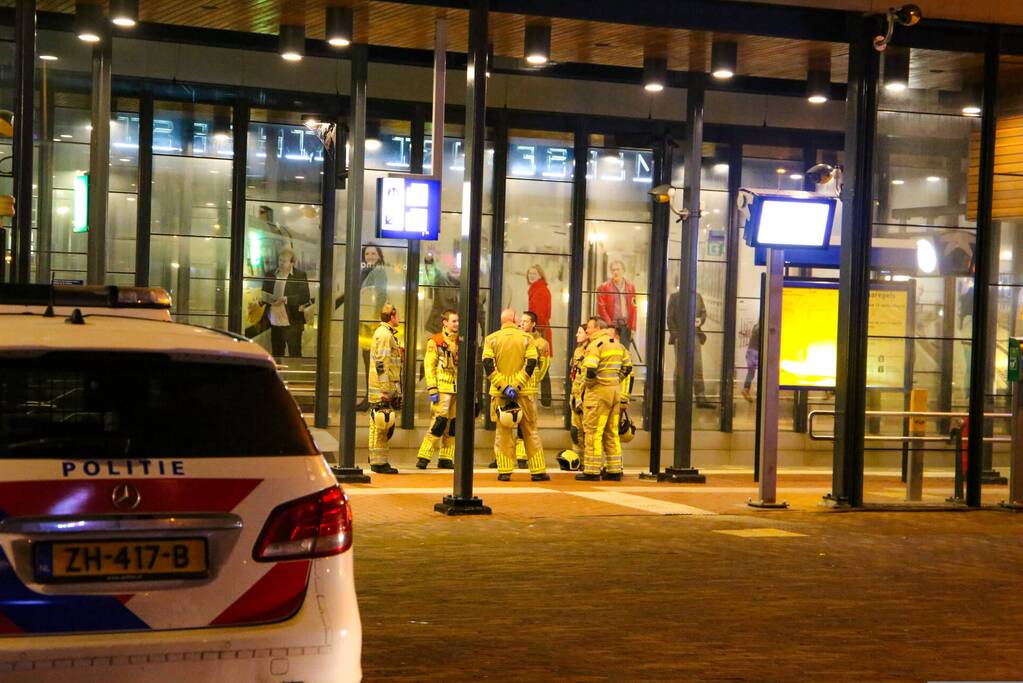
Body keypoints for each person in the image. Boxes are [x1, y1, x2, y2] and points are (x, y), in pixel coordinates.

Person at [482, 308, 547, 482]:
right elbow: (531, 363)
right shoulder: (527, 339)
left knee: (503, 433)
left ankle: (504, 471)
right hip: (524, 392)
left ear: (502, 320)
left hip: (500, 393)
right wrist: (517, 385)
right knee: (530, 431)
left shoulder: (491, 339)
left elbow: (488, 365)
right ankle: (538, 471)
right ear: (515, 319)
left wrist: (504, 387)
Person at [577, 316, 631, 482]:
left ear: (598, 328)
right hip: (614, 392)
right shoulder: (618, 345)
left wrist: (589, 385)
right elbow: (628, 367)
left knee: (593, 432)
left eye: (589, 327)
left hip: (598, 394)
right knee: (611, 432)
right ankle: (614, 470)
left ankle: (592, 471)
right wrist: (616, 380)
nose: (587, 330)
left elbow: (590, 370)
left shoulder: (595, 345)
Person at [335, 245, 388, 411]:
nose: (370, 256)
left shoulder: (378, 271)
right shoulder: (365, 271)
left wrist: (374, 319)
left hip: (371, 322)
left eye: (373, 253)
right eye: (367, 253)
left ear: (379, 256)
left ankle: (371, 399)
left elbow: (381, 295)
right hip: (365, 322)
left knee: (371, 360)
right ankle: (371, 397)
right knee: (369, 359)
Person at [416, 309, 458, 469]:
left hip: (456, 389)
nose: (457, 324)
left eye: (458, 321)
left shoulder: (460, 341)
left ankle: (446, 457)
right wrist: (432, 388)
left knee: (452, 425)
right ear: (445, 323)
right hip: (442, 388)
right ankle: (424, 456)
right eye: (453, 321)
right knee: (439, 422)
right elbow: (429, 366)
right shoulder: (436, 341)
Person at [368, 303, 404, 475]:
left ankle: (377, 460)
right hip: (382, 387)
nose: (399, 319)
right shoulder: (384, 335)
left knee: (380, 424)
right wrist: (384, 389)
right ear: (392, 316)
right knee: (382, 424)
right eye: (397, 315)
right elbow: (381, 363)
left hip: (384, 385)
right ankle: (379, 462)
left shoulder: (384, 333)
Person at [514, 311, 551, 468]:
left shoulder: (541, 343)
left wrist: (534, 380)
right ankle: (510, 455)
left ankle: (524, 457)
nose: (522, 324)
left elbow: (544, 366)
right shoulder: (516, 339)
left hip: (529, 388)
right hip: (514, 385)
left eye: (526, 321)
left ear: (533, 324)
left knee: (528, 422)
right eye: (521, 321)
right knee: (510, 420)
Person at [260, 246, 311, 358]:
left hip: (293, 323)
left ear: (292, 263)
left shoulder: (299, 275)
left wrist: (286, 299)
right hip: (275, 323)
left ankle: (295, 370)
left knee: (295, 353)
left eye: (285, 261)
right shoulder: (270, 274)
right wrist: (262, 300)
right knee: (277, 353)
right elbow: (264, 293)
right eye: (280, 260)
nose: (281, 263)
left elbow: (305, 296)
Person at [667, 289, 713, 409]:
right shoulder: (674, 297)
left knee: (697, 365)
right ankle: (679, 396)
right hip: (680, 335)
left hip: (695, 334)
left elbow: (703, 312)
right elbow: (670, 318)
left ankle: (700, 396)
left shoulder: (698, 296)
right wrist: (676, 336)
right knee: (680, 366)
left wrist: (700, 320)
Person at [556, 325, 590, 471]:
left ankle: (590, 462)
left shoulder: (593, 351)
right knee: (575, 431)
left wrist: (582, 397)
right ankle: (578, 461)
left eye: (580, 332)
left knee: (589, 433)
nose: (577, 335)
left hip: (587, 397)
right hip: (575, 396)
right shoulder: (578, 351)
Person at [526, 265, 554, 407]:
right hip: (539, 330)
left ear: (540, 275)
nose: (531, 275)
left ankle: (545, 399)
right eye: (530, 273)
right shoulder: (537, 289)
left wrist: (534, 332)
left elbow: (540, 316)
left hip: (539, 332)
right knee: (542, 365)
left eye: (534, 273)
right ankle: (545, 399)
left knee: (542, 365)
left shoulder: (540, 290)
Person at [596, 260, 637, 351]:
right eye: (613, 270)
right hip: (611, 327)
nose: (615, 272)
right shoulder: (604, 287)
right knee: (612, 351)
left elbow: (634, 308)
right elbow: (601, 308)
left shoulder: (631, 287)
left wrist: (633, 327)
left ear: (623, 270)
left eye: (618, 269)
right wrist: (610, 325)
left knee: (624, 352)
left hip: (626, 327)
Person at [742, 322, 760, 402]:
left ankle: (746, 389)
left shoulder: (756, 326)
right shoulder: (763, 326)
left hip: (750, 351)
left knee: (751, 373)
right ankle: (761, 392)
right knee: (765, 372)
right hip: (755, 352)